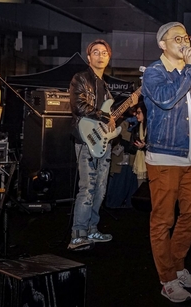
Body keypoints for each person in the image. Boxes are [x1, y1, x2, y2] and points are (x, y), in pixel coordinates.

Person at [142, 22, 191, 303]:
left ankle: (177, 267)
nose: (184, 42)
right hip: (165, 157)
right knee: (163, 220)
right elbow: (167, 100)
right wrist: (189, 70)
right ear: (162, 44)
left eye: (186, 37)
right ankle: (167, 279)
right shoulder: (154, 72)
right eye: (177, 38)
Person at [68, 39, 121, 250]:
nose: (100, 55)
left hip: (103, 141)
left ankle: (92, 229)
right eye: (96, 52)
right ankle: (78, 234)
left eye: (104, 52)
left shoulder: (106, 87)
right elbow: (79, 105)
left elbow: (109, 115)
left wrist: (113, 119)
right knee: (87, 187)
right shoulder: (81, 78)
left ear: (109, 58)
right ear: (89, 57)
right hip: (86, 139)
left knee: (100, 188)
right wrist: (105, 116)